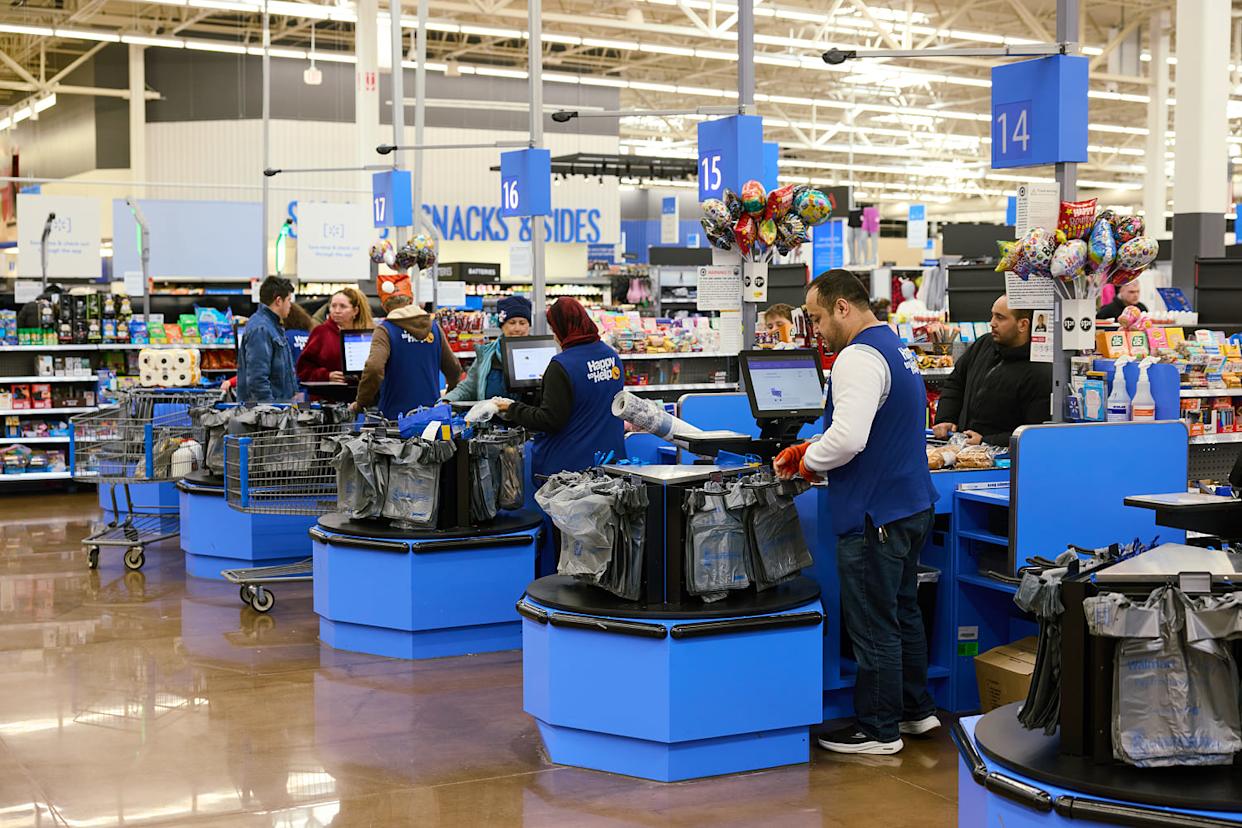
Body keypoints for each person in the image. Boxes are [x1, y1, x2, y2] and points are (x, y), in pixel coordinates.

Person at [773, 268, 938, 756]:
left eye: (819, 317)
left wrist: (808, 460)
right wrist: (817, 447)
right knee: (903, 610)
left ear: (844, 307)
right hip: (911, 504)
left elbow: (848, 438)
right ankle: (915, 710)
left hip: (875, 514)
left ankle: (878, 729)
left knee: (873, 622)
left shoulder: (857, 357)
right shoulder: (896, 348)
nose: (817, 330)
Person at [495, 297, 625, 478]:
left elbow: (549, 420)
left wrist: (511, 408)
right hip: (610, 460)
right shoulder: (611, 356)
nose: (555, 336)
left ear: (562, 328)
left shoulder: (562, 365)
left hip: (570, 468)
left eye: (554, 329)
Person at [932, 295, 1053, 448]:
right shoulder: (983, 344)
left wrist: (986, 441)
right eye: (993, 315)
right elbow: (955, 383)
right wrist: (946, 418)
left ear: (1023, 324)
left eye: (1000, 317)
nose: (992, 323)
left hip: (1002, 463)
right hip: (962, 452)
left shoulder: (1040, 371)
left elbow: (1033, 432)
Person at [353, 294, 462, 418]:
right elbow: (454, 368)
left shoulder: (385, 330)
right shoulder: (433, 328)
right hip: (431, 416)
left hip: (394, 419)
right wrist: (447, 398)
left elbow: (374, 368)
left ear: (384, 306)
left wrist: (361, 404)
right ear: (411, 300)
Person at [444, 295, 532, 402]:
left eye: (522, 323)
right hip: (491, 417)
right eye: (512, 323)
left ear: (529, 326)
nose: (517, 328)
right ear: (502, 326)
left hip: (528, 417)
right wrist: (446, 401)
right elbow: (468, 388)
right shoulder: (487, 354)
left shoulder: (539, 354)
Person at [237, 276, 299, 404]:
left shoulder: (273, 326)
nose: (290, 305)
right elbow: (257, 380)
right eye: (288, 300)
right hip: (265, 417)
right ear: (278, 301)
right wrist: (270, 410)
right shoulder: (261, 329)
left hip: (278, 410)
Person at [297, 287, 373, 385]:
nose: (337, 311)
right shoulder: (321, 332)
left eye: (343, 306)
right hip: (328, 395)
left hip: (361, 393)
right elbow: (303, 369)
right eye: (333, 306)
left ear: (355, 311)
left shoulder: (368, 334)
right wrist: (326, 375)